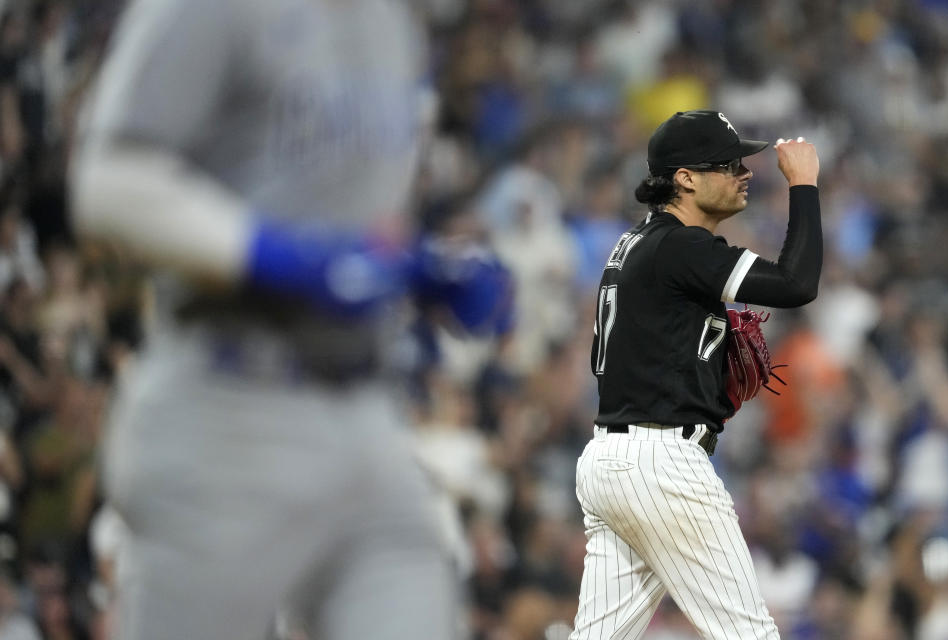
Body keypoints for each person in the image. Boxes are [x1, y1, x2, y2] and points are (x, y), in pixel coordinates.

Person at [67, 1, 511, 639]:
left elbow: (347, 232)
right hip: (226, 406)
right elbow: (108, 181)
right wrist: (266, 255)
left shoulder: (391, 23)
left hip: (363, 413)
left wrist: (422, 270)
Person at [570, 110, 822, 639]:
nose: (745, 173)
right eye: (729, 164)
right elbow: (796, 283)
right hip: (660, 462)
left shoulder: (632, 246)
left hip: (609, 459)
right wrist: (803, 185)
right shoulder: (679, 246)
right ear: (685, 178)